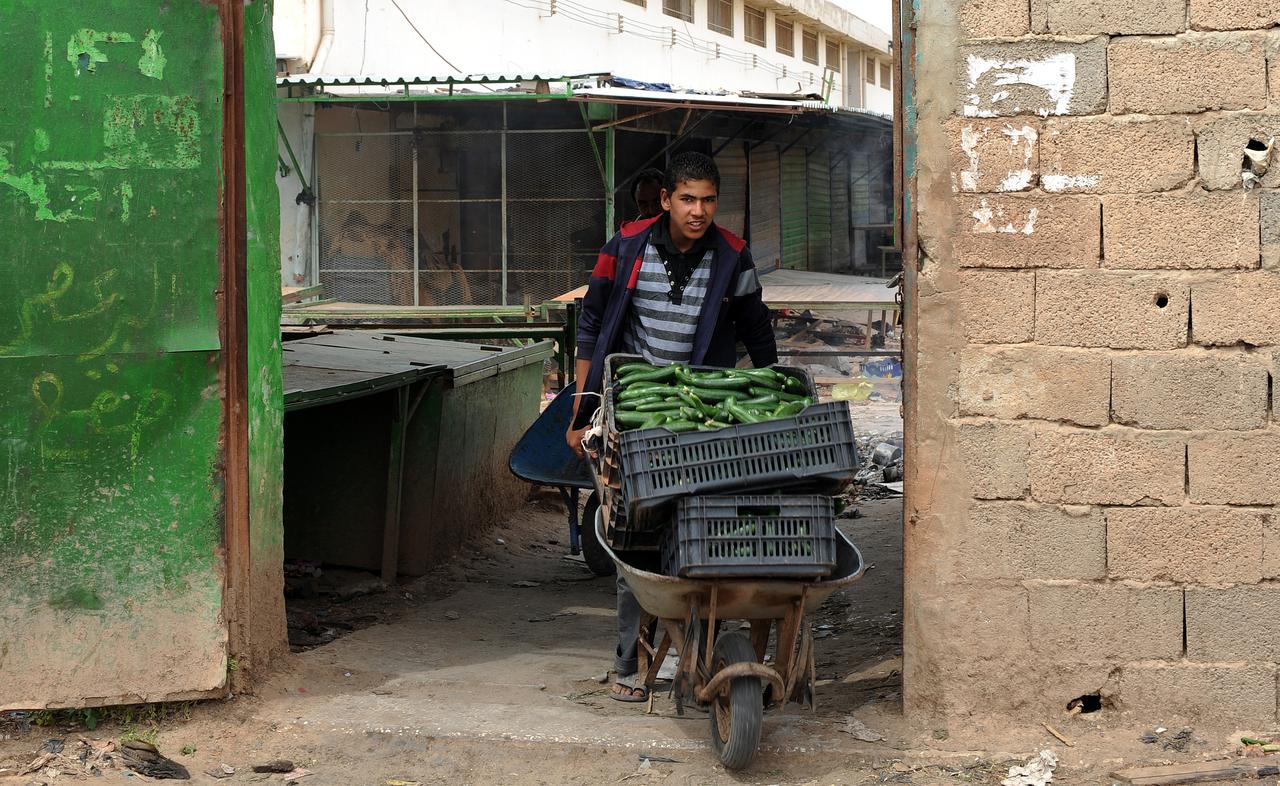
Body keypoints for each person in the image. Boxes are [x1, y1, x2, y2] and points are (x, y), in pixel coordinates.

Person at [565, 151, 777, 702]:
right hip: (635, 412)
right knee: (632, 539)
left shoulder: (733, 255)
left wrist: (778, 398)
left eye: (708, 200)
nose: (698, 210)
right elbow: (592, 327)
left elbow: (758, 334)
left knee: (700, 533)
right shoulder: (626, 247)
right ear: (666, 200)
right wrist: (583, 413)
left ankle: (696, 656)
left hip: (703, 417)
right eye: (687, 198)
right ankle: (631, 662)